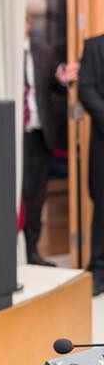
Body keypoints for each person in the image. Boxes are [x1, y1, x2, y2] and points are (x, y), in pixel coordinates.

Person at [21, 15, 77, 266]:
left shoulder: (43, 51)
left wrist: (64, 79)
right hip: (14, 132)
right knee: (16, 193)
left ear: (28, 23)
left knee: (36, 195)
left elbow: (57, 83)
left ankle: (32, 250)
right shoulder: (2, 48)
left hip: (39, 133)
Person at [80, 34, 104, 295]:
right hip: (102, 141)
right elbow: (86, 89)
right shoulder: (94, 47)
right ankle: (99, 270)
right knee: (103, 208)